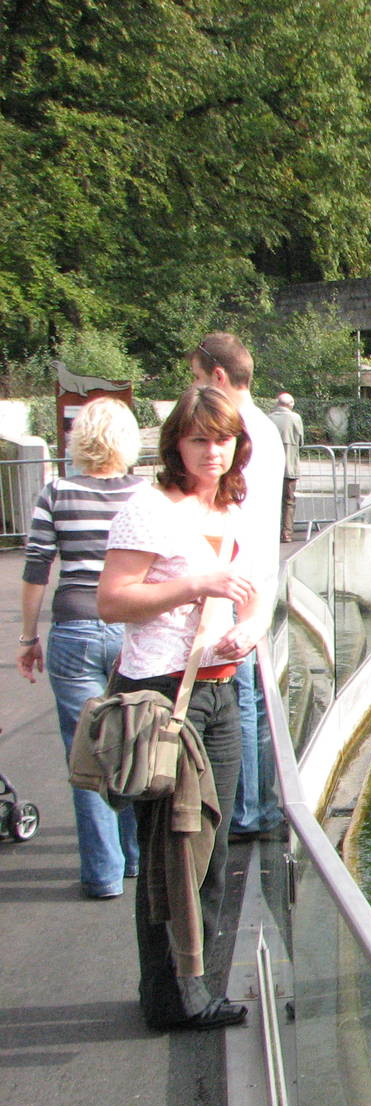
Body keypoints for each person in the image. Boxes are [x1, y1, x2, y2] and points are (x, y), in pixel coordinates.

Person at [98, 384, 264, 1032]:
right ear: (175, 443)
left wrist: (248, 629)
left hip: (220, 689)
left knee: (212, 847)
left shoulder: (232, 505)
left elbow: (250, 592)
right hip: (167, 697)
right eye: (199, 439)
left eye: (221, 439)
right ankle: (171, 998)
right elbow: (112, 601)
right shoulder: (151, 509)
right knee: (172, 851)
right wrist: (196, 583)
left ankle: (195, 986)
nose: (212, 451)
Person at [17, 398, 146, 898]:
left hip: (73, 629)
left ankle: (102, 873)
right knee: (136, 739)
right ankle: (135, 857)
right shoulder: (144, 493)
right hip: (129, 627)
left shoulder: (57, 492)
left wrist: (29, 637)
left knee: (87, 752)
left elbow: (36, 570)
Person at [188, 333, 285, 841]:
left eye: (199, 379)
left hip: (237, 583)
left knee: (239, 699)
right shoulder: (267, 427)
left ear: (218, 376)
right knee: (253, 700)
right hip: (260, 578)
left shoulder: (236, 431)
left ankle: (245, 809)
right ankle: (256, 803)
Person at [267, 392, 303, 542]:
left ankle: (270, 531)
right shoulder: (295, 418)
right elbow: (301, 441)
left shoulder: (268, 418)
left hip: (270, 468)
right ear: (291, 404)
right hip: (289, 466)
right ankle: (287, 533)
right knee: (289, 501)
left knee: (271, 500)